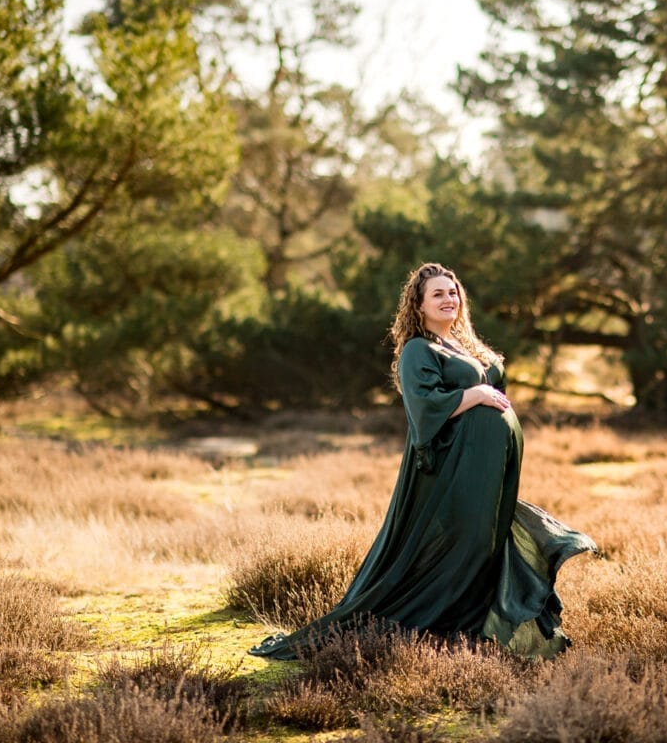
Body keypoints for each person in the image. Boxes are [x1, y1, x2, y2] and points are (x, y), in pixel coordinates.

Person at [248, 262, 596, 660]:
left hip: (486, 466)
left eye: (453, 292)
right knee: (462, 542)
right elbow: (424, 408)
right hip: (450, 470)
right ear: (418, 305)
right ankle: (441, 629)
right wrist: (477, 396)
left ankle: (479, 629)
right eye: (438, 294)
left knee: (487, 540)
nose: (449, 299)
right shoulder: (418, 349)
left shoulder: (465, 345)